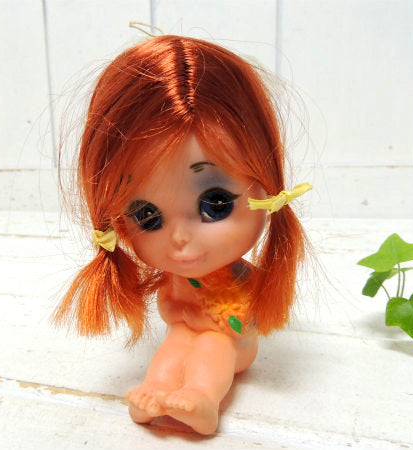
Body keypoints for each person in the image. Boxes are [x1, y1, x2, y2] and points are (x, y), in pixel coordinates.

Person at [54, 34, 310, 435]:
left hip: (233, 340)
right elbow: (171, 307)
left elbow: (251, 310)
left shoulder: (241, 275)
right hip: (187, 327)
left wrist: (217, 317)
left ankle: (203, 397)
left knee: (212, 346)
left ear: (268, 190)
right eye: (147, 216)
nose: (179, 238)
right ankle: (155, 389)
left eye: (215, 204)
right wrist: (183, 313)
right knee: (174, 344)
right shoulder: (175, 277)